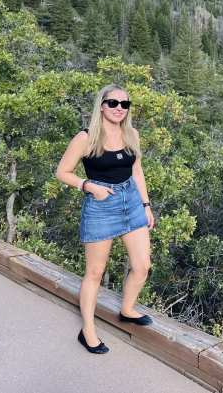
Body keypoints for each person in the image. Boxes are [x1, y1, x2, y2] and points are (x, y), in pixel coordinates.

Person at [55, 84, 156, 354]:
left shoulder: (131, 134)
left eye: (125, 104)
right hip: (101, 205)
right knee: (95, 273)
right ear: (102, 105)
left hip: (131, 202)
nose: (119, 109)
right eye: (113, 103)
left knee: (142, 265)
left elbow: (137, 172)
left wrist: (146, 205)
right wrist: (88, 186)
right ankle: (87, 330)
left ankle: (127, 309)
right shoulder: (86, 138)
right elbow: (62, 172)